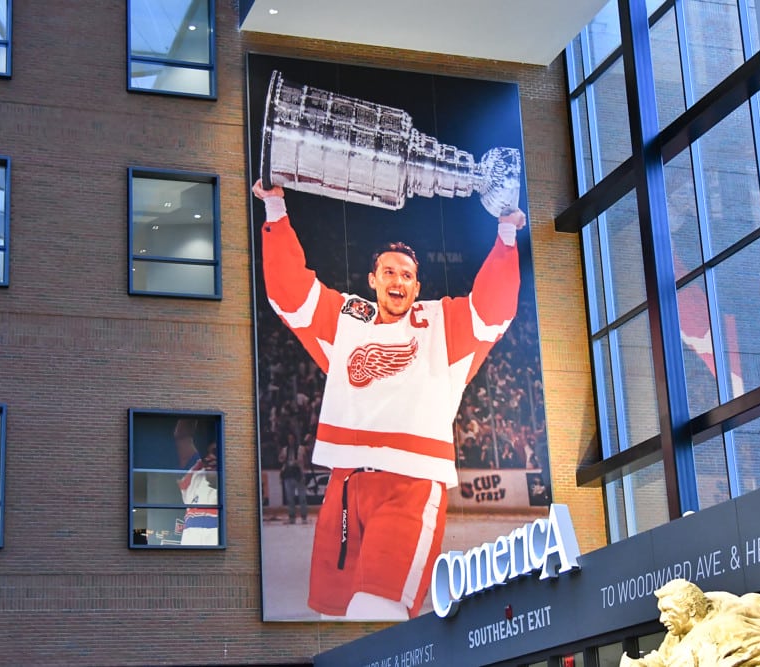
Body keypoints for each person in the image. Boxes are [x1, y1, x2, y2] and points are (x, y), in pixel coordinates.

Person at [253, 179, 526, 620]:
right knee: (334, 619)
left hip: (410, 484)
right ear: (372, 280)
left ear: (417, 287)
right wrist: (275, 209)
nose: (398, 280)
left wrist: (506, 237)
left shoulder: (441, 323)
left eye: (407, 275)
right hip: (343, 486)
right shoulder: (349, 318)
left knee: (374, 611)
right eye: (389, 272)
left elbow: (491, 310)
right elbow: (291, 296)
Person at [620, 578, 760, 666]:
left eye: (668, 611)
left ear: (691, 609)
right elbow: (663, 658)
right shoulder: (713, 602)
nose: (662, 619)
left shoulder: (703, 638)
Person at [173, 418, 220, 546]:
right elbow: (182, 436)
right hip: (190, 562)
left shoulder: (240, 488)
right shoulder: (195, 476)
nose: (210, 457)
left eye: (216, 452)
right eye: (207, 453)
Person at [279, 431, 308, 524]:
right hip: (288, 474)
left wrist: (299, 461)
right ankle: (292, 516)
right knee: (290, 498)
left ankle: (304, 516)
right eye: (289, 439)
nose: (290, 441)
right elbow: (280, 459)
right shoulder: (285, 450)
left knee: (302, 497)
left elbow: (306, 460)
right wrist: (282, 459)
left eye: (292, 439)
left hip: (298, 474)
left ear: (295, 439)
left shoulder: (301, 449)